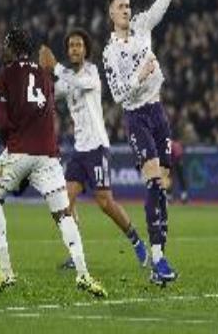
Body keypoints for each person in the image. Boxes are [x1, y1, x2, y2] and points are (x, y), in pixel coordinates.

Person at [0, 27, 106, 297]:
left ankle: (6, 270)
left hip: (18, 150)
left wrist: (12, 145)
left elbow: (2, 120)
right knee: (63, 214)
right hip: (48, 155)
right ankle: (83, 274)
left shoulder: (6, 73)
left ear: (14, 47)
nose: (3, 50)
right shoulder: (43, 74)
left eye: (6, 45)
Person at [102, 0, 180, 286]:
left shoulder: (143, 26)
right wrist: (140, 73)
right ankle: (158, 260)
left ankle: (159, 258)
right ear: (111, 13)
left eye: (128, 5)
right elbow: (119, 95)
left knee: (163, 187)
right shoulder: (110, 52)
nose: (127, 10)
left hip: (158, 112)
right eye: (121, 7)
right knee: (153, 183)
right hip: (136, 118)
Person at [39, 28, 148, 270]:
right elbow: (50, 94)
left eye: (79, 45)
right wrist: (40, 74)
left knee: (105, 203)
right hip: (79, 150)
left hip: (97, 147)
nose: (75, 49)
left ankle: (136, 240)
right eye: (71, 46)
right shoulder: (66, 79)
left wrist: (55, 67)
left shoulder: (91, 72)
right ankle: (76, 254)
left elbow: (76, 81)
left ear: (85, 50)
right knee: (65, 202)